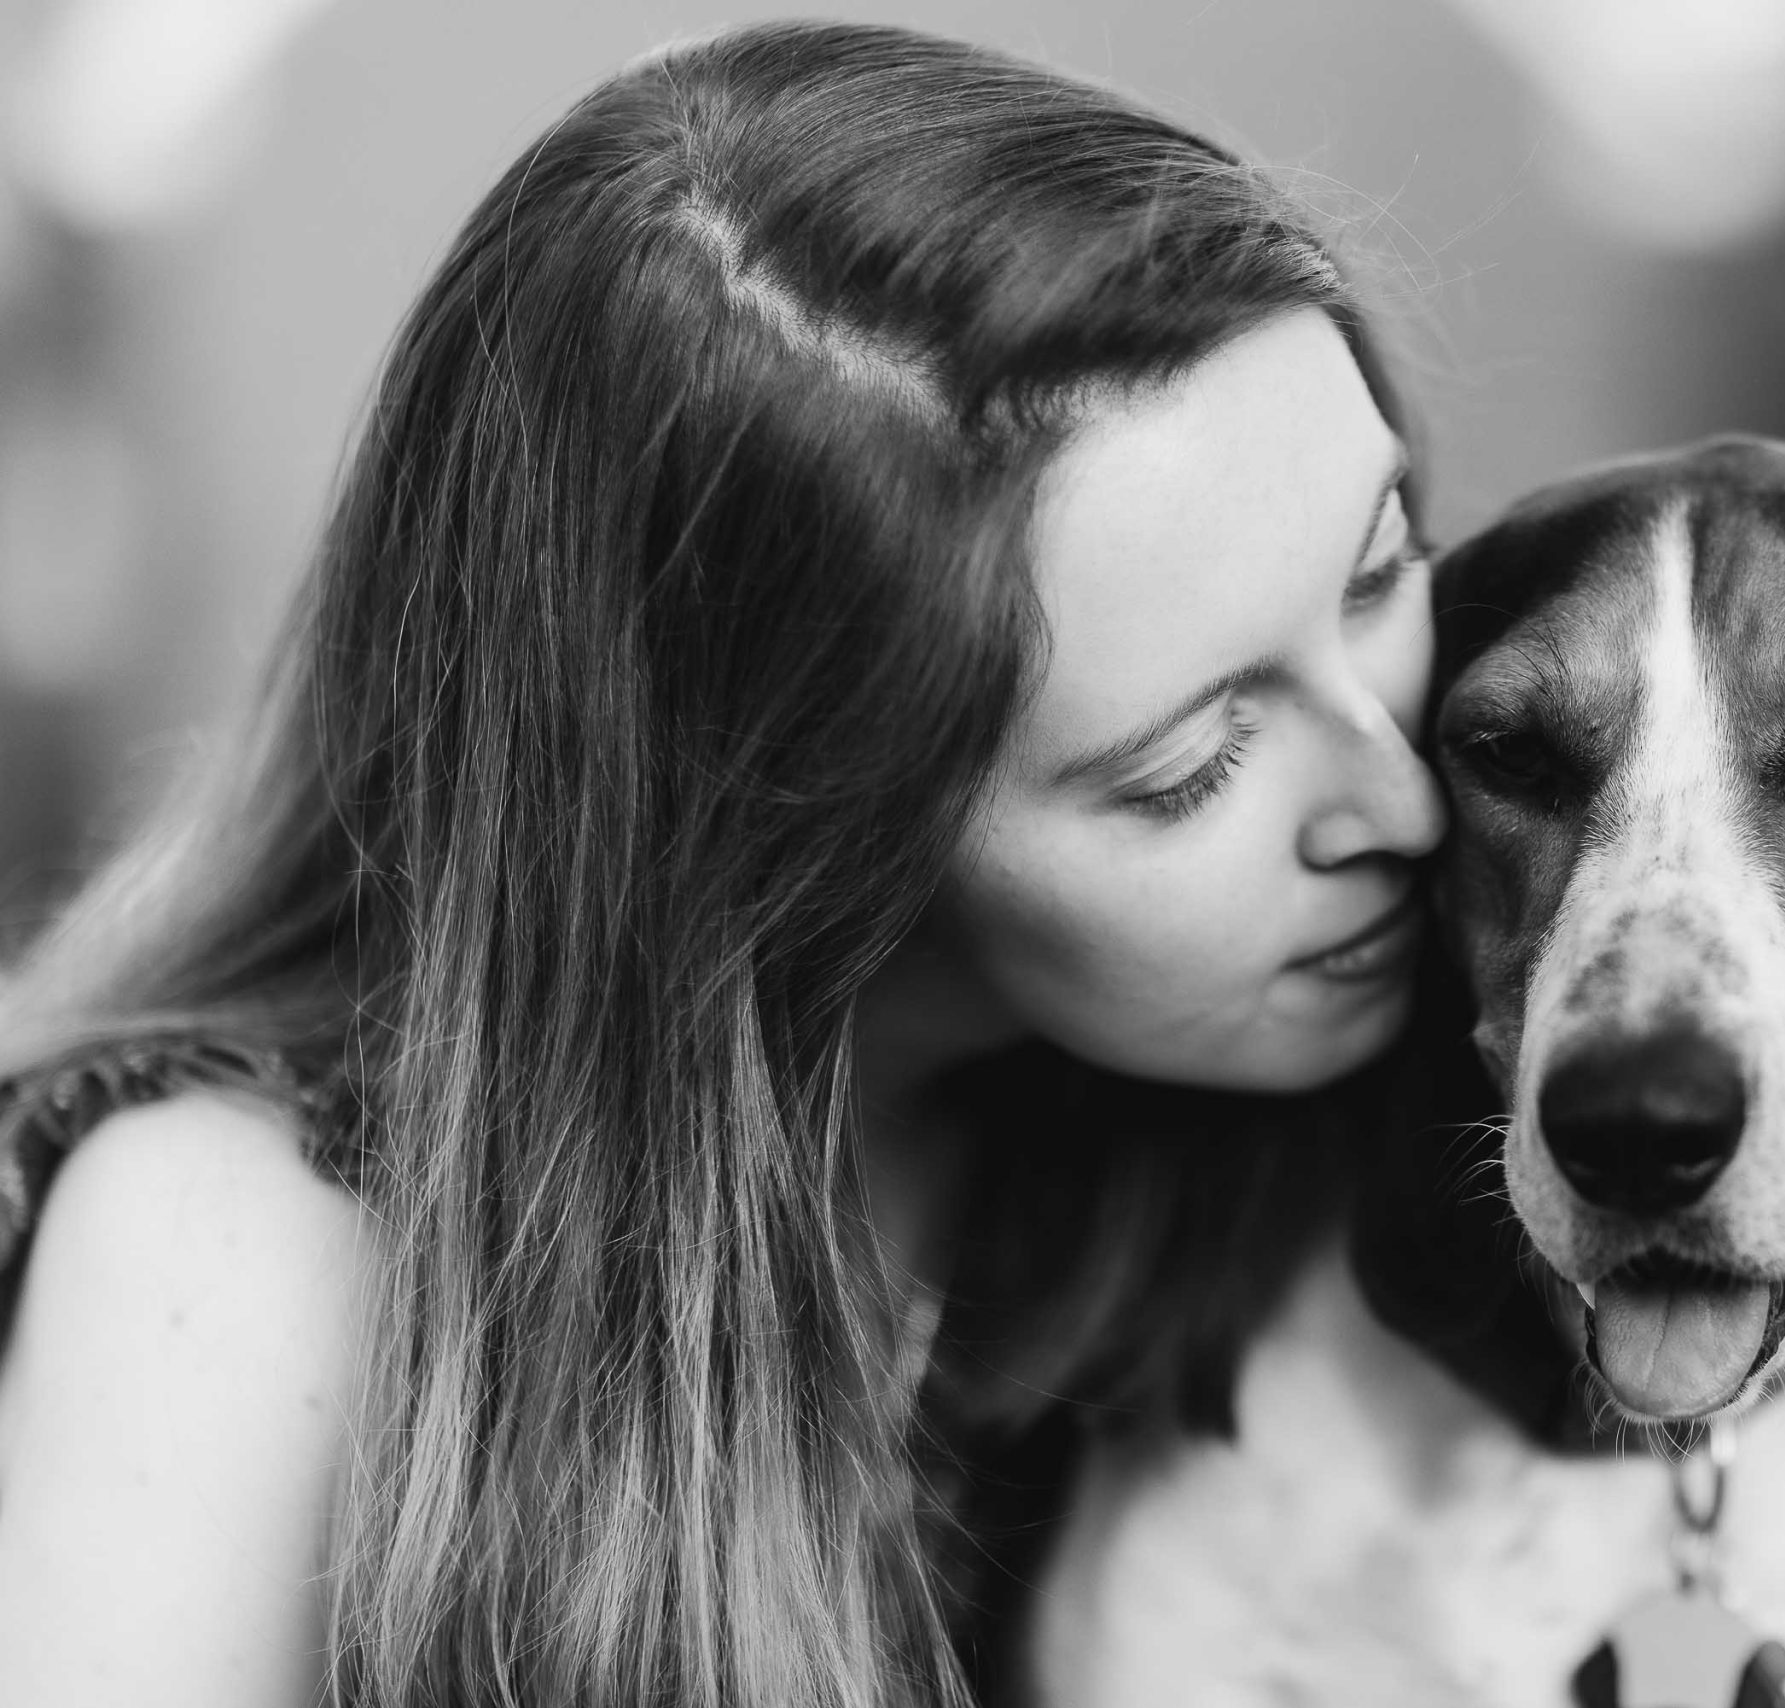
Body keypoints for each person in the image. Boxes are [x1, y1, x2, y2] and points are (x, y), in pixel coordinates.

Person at [0, 22, 1442, 1706]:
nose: (1403, 801)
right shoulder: (242, 1257)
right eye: (1189, 768)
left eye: (1379, 571)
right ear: (805, 842)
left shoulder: (1447, 1072)